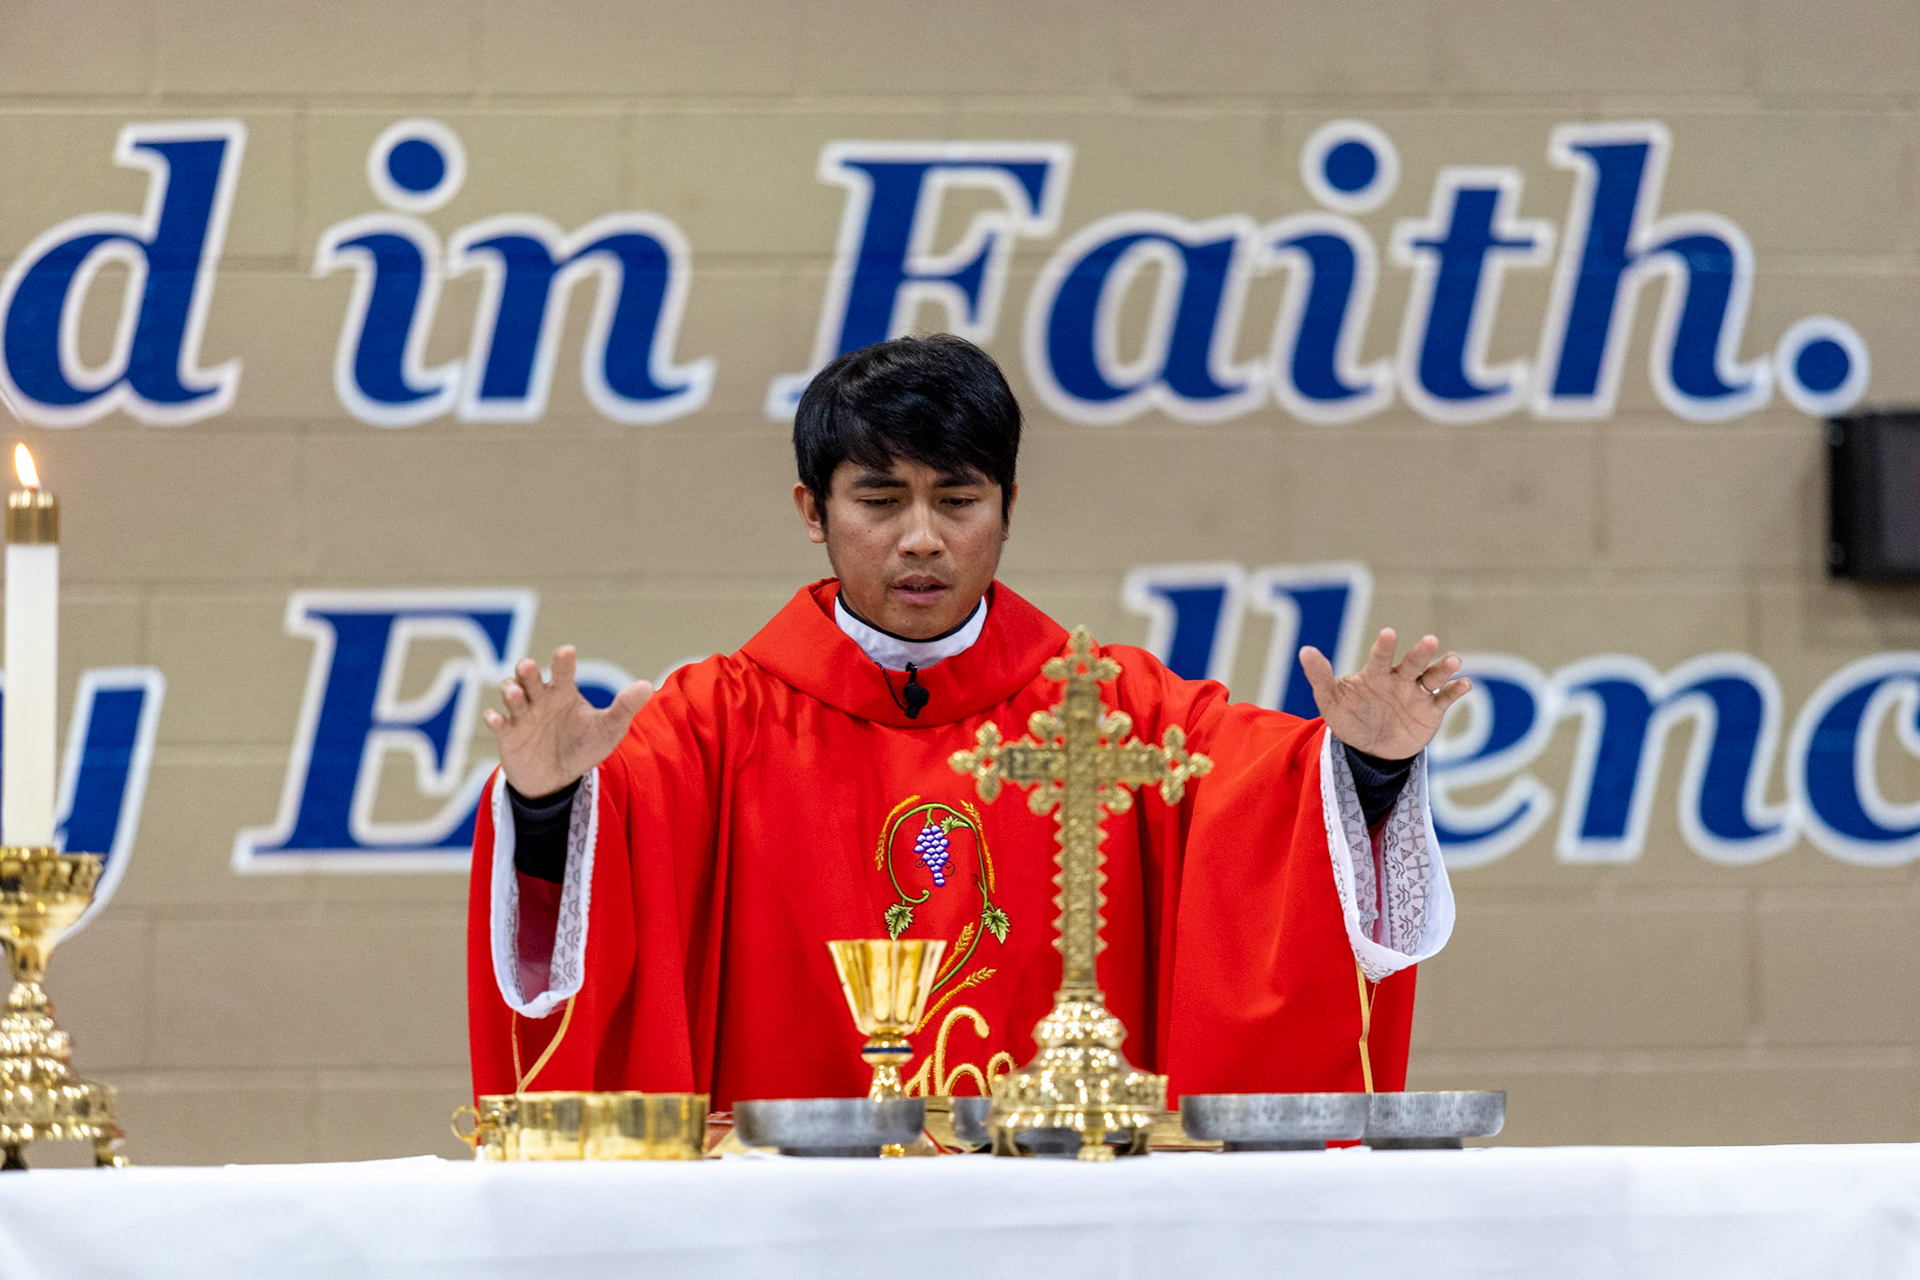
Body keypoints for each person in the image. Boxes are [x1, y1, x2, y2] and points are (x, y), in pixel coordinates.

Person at [467, 333, 1466, 1109]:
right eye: (879, 499)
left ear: (1009, 504)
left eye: (958, 499)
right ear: (812, 510)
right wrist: (548, 801)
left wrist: (1368, 769)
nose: (922, 538)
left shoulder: (1109, 706)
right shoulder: (715, 723)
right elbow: (592, 910)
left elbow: (1269, 800)